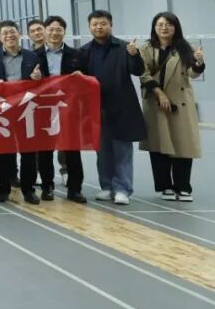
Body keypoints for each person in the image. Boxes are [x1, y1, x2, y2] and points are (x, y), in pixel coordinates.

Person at [79, 10, 145, 205]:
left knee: (122, 149)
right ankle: (107, 186)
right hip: (97, 108)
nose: (99, 27)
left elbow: (138, 70)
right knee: (102, 150)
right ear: (89, 27)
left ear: (111, 25)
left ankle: (123, 188)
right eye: (95, 24)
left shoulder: (124, 47)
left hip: (122, 106)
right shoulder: (84, 51)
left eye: (103, 23)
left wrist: (135, 55)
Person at [139, 12, 205, 202]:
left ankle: (183, 187)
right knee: (158, 144)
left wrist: (199, 63)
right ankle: (164, 186)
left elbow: (192, 74)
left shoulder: (185, 47)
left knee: (183, 144)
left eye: (169, 24)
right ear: (154, 27)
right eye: (160, 24)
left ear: (176, 27)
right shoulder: (146, 48)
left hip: (180, 102)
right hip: (155, 101)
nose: (164, 28)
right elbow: (143, 73)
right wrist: (159, 93)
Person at [0, 20, 49, 204]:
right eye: (5, 33)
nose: (9, 36)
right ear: (0, 37)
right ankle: (3, 189)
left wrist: (39, 77)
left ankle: (29, 190)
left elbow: (44, 81)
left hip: (27, 109)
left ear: (19, 34)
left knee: (29, 151)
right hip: (2, 109)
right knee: (2, 150)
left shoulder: (32, 56)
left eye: (12, 32)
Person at [35, 16, 87, 203]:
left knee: (72, 149)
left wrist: (82, 76)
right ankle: (47, 187)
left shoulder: (77, 55)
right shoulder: (34, 55)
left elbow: (88, 79)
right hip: (43, 108)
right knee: (45, 150)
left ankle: (75, 189)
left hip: (69, 108)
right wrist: (33, 77)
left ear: (64, 31)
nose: (55, 33)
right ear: (45, 31)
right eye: (51, 29)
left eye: (59, 30)